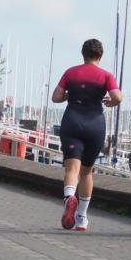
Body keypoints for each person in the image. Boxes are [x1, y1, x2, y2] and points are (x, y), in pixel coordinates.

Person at [51, 39, 122, 232]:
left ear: (83, 54)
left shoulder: (71, 72)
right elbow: (117, 97)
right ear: (100, 55)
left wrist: (70, 94)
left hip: (72, 121)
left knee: (71, 169)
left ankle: (69, 198)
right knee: (87, 172)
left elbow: (56, 97)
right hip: (95, 124)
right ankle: (81, 217)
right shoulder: (106, 75)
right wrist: (109, 101)